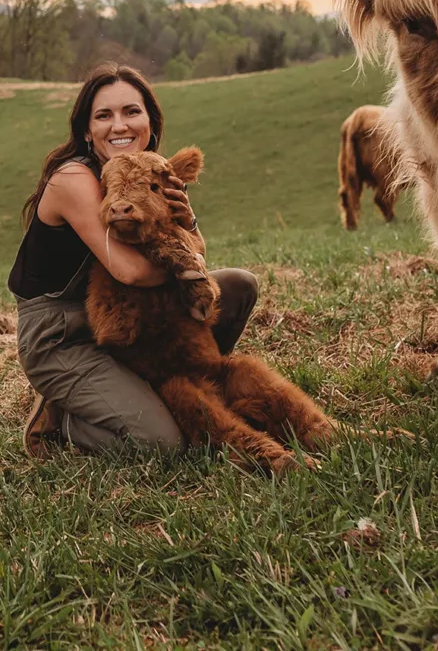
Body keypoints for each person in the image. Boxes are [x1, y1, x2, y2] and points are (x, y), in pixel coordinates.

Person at [8, 62, 259, 459]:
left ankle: (187, 382)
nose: (119, 126)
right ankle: (63, 420)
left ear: (150, 122)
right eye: (103, 115)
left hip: (124, 319)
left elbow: (196, 260)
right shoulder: (74, 179)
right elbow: (133, 272)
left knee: (239, 285)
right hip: (63, 333)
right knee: (165, 442)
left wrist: (186, 219)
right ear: (87, 131)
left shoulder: (144, 173)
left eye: (131, 111)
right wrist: (186, 255)